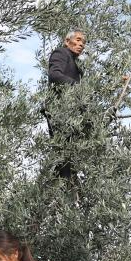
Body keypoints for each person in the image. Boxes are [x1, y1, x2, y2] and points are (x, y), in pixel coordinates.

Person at [45, 30, 87, 182]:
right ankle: (59, 191)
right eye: (78, 40)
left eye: (84, 42)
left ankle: (62, 187)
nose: (81, 44)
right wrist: (77, 87)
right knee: (62, 154)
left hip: (71, 114)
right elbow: (54, 75)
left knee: (70, 156)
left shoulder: (77, 66)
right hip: (59, 111)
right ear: (67, 41)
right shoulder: (61, 53)